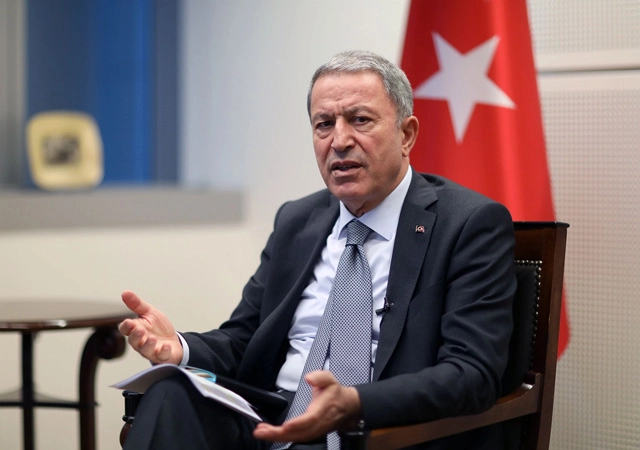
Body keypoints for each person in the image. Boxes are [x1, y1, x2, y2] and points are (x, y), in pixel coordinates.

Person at [118, 50, 516, 450]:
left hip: (376, 430)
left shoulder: (467, 224)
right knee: (170, 393)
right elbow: (245, 339)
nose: (339, 141)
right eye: (324, 124)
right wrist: (181, 348)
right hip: (273, 421)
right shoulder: (297, 221)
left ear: (406, 134)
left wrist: (355, 403)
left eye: (360, 120)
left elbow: (471, 374)